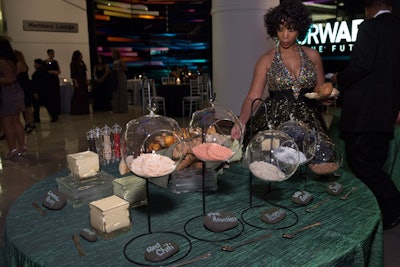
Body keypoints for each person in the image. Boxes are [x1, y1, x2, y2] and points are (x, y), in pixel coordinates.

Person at [231, 0, 335, 155]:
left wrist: (326, 98)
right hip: (273, 123)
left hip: (308, 121)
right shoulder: (266, 60)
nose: (285, 36)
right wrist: (241, 122)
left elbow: (320, 91)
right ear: (274, 30)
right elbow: (252, 97)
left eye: (291, 29)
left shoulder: (313, 56)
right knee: (273, 165)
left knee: (316, 162)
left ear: (300, 29)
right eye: (280, 29)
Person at [331, 0, 400, 230]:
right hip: (385, 113)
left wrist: (337, 79)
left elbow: (360, 66)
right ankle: (383, 213)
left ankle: (394, 206)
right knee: (375, 164)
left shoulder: (369, 27)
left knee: (360, 164)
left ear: (368, 9)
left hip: (363, 113)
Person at [0, 36, 26, 159]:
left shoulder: (2, 62)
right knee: (16, 121)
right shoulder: (14, 60)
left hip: (7, 94)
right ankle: (22, 146)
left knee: (7, 123)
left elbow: (9, 79)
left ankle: (13, 149)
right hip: (16, 92)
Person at [14, 50, 35, 133]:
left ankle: (30, 124)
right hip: (26, 88)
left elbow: (14, 76)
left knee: (27, 107)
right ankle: (29, 123)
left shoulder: (19, 64)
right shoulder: (23, 64)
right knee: (26, 107)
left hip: (23, 89)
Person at [32, 58, 53, 123]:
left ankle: (36, 118)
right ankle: (54, 116)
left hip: (39, 91)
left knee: (36, 106)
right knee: (47, 104)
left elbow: (36, 83)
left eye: (35, 64)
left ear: (38, 64)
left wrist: (35, 92)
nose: (34, 65)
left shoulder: (37, 73)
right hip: (45, 91)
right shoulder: (45, 71)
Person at [70, 50, 89, 115]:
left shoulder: (82, 62)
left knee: (84, 95)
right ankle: (77, 110)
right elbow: (73, 74)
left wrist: (86, 80)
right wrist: (76, 82)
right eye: (80, 54)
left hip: (83, 80)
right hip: (78, 80)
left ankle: (84, 110)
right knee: (78, 95)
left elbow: (84, 73)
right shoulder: (73, 63)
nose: (81, 55)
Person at [45, 49, 61, 122]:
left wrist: (54, 72)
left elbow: (59, 71)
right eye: (51, 53)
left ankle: (57, 110)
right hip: (49, 81)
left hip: (55, 80)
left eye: (53, 53)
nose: (52, 54)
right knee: (50, 95)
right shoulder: (45, 62)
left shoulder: (55, 62)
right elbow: (45, 71)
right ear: (48, 54)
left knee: (56, 95)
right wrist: (51, 72)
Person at [111, 48, 128, 113]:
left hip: (121, 77)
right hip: (116, 77)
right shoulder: (114, 61)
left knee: (122, 92)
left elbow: (125, 68)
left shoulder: (121, 60)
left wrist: (118, 68)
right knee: (116, 92)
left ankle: (123, 108)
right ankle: (116, 108)